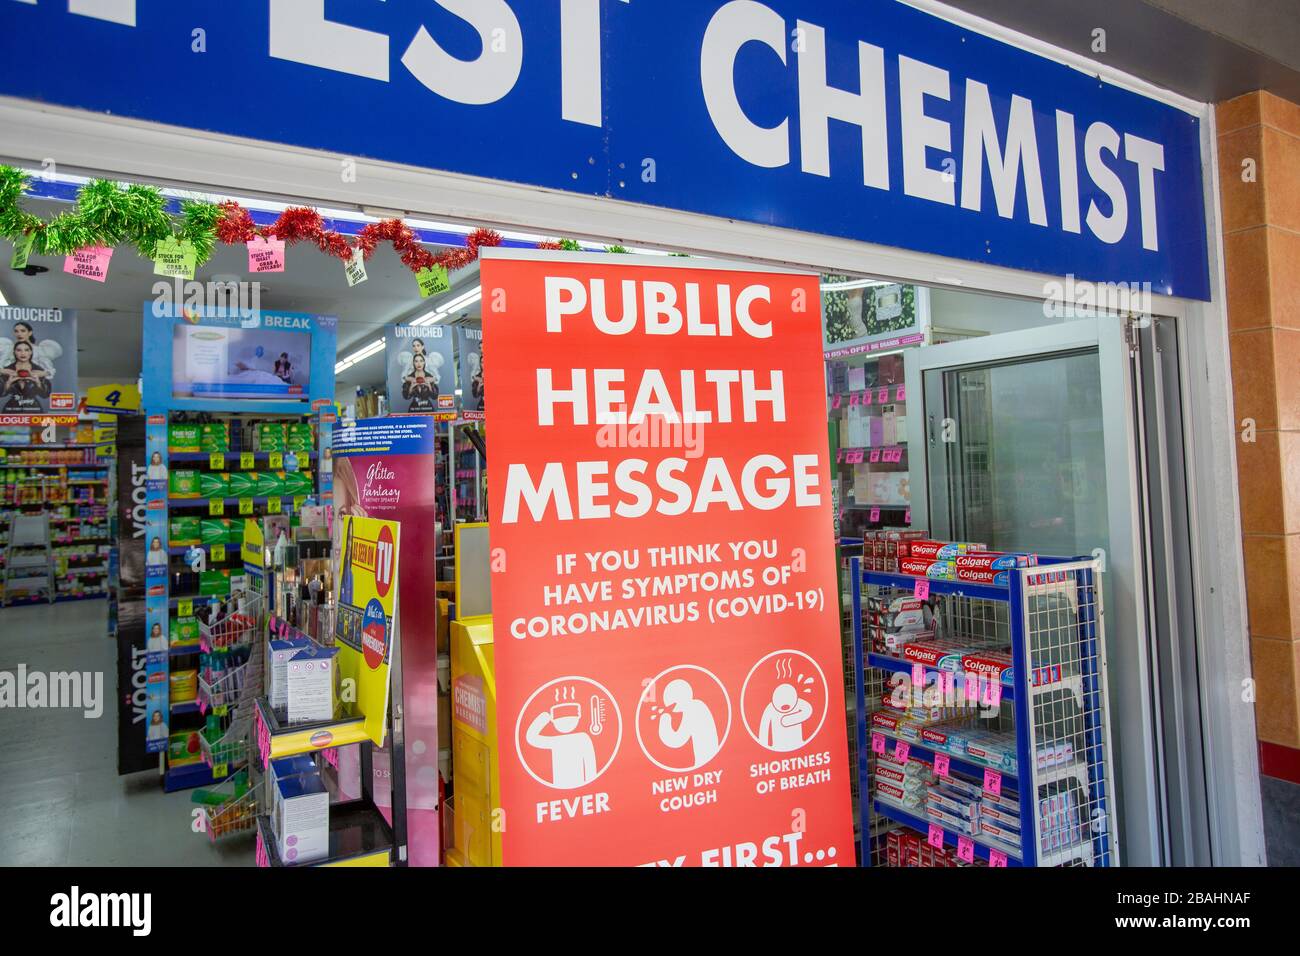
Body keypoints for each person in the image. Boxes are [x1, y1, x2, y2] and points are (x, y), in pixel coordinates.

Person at [525, 703, 597, 788]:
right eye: (560, 721)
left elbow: (590, 764)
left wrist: (545, 717)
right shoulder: (557, 741)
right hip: (560, 784)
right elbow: (531, 738)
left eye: (568, 720)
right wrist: (544, 717)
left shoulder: (581, 738)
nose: (565, 724)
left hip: (579, 784)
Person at [656, 678, 721, 769]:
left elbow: (676, 740)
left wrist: (664, 720)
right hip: (707, 762)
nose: (670, 707)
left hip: (707, 763)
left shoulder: (693, 707)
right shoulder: (697, 705)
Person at [758, 683, 813, 752]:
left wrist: (788, 720)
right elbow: (764, 727)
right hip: (778, 745)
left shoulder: (798, 703)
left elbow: (808, 710)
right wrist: (764, 745)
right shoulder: (770, 709)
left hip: (797, 741)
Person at [1, 340, 52, 411]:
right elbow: (1, 394)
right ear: (14, 352)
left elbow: (45, 395)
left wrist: (38, 383)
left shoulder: (39, 370)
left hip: (33, 409)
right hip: (12, 409)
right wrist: (8, 383)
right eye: (19, 350)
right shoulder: (8, 370)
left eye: (26, 350)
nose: (23, 353)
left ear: (31, 352)